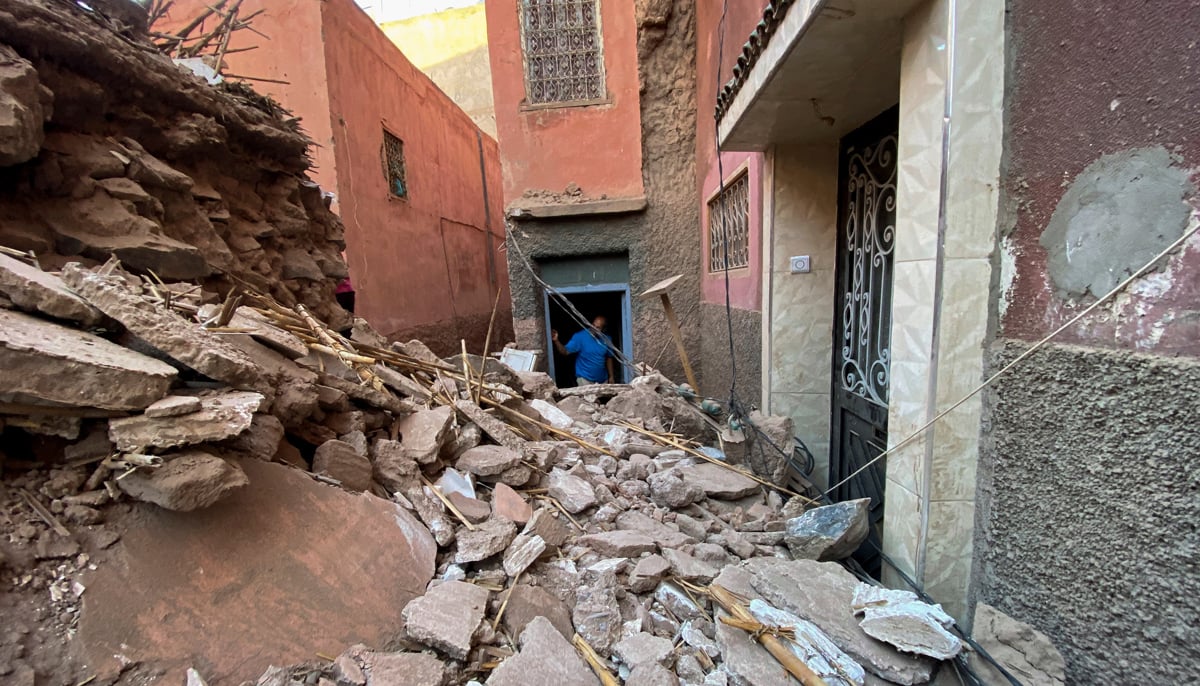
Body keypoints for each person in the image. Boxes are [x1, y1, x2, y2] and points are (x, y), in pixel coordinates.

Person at [552, 315, 616, 386]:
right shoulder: (580, 337)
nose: (593, 328)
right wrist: (556, 340)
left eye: (598, 327)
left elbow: (609, 357)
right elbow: (565, 351)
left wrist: (611, 376)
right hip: (585, 379)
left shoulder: (607, 339)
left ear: (604, 330)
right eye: (593, 325)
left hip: (602, 380)